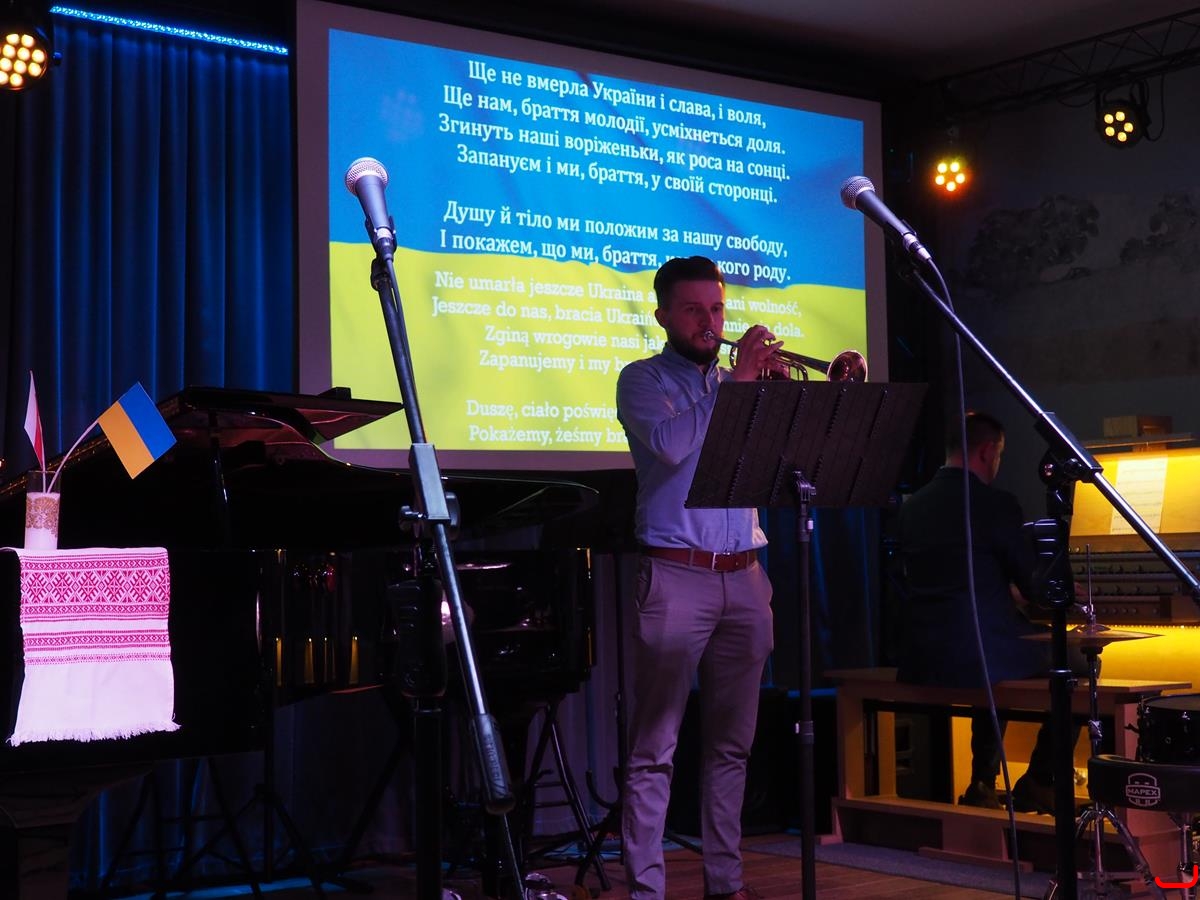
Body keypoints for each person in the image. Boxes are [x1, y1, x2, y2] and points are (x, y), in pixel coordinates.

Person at [614, 255, 778, 900]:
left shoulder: (742, 385)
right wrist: (739, 386)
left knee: (733, 746)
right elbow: (673, 446)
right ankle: (647, 891)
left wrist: (774, 396)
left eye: (716, 308)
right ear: (663, 316)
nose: (709, 322)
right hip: (676, 575)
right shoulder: (642, 379)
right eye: (693, 310)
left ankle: (725, 883)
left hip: (747, 577)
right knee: (655, 747)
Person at [894, 411, 1058, 814]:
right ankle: (1040, 779)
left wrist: (999, 590)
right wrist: (1045, 590)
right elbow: (1034, 585)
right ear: (987, 452)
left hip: (921, 653)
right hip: (976, 651)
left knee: (997, 656)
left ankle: (982, 781)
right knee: (1075, 663)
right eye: (999, 456)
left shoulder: (912, 506)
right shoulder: (996, 505)